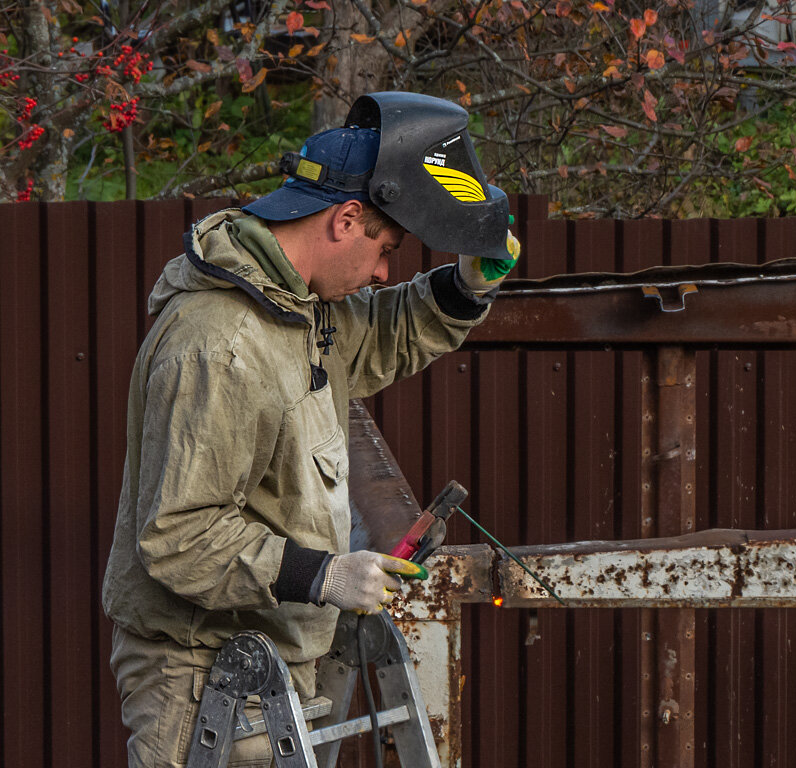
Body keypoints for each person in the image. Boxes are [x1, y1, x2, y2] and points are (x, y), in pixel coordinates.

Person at [102, 92, 520, 767]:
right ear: (346, 218)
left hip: (265, 654)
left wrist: (465, 288)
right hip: (200, 674)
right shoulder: (220, 344)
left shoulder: (297, 309)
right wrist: (322, 574)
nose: (385, 272)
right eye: (385, 249)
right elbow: (178, 536)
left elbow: (381, 336)